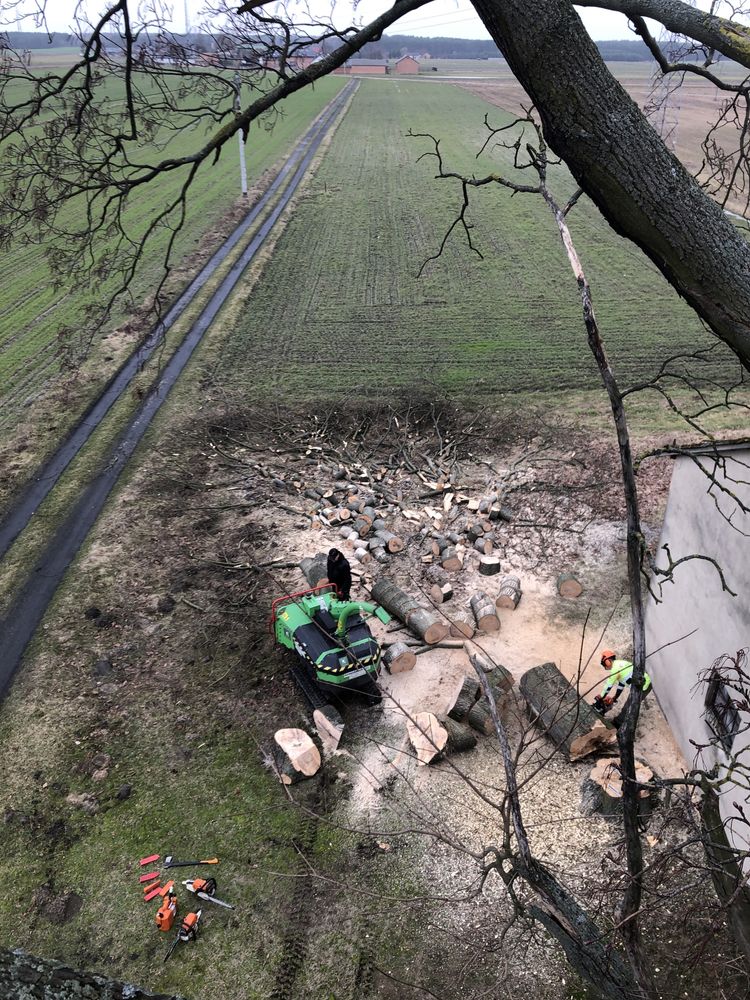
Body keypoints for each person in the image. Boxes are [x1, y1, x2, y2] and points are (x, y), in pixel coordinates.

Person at [594, 649, 651, 715]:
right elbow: (621, 684)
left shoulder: (615, 669)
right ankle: (618, 721)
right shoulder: (619, 664)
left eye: (604, 664)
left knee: (628, 707)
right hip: (642, 684)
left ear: (607, 661)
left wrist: (601, 696)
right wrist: (615, 697)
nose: (604, 666)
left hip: (643, 685)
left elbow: (608, 686)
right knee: (629, 706)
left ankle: (618, 723)